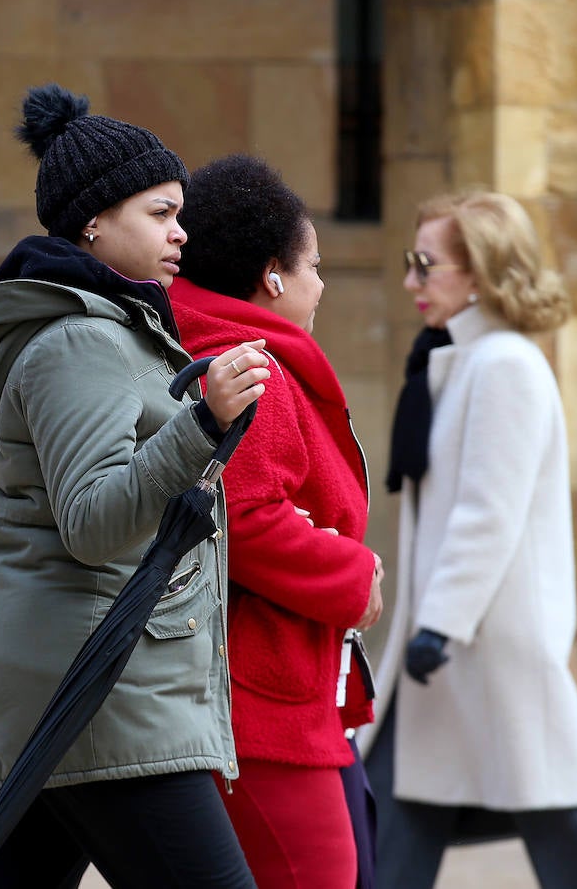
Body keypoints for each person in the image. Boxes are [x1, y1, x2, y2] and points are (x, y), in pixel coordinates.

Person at [0, 84, 263, 889]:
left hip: (69, 683)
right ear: (94, 222)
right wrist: (202, 424)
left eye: (180, 214)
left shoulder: (110, 326)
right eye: (160, 212)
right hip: (101, 692)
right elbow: (93, 522)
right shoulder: (79, 341)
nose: (181, 232)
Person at [359, 191, 577, 889]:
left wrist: (439, 624)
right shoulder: (464, 359)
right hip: (451, 648)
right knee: (392, 813)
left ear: (481, 272)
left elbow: (488, 513)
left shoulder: (504, 366)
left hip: (485, 645)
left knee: (561, 818)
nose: (412, 280)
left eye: (426, 264)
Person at [168, 154, 384, 889]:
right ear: (274, 277)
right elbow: (245, 518)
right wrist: (354, 575)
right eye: (314, 267)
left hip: (273, 690)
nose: (321, 285)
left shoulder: (238, 352)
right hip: (260, 700)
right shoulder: (246, 365)